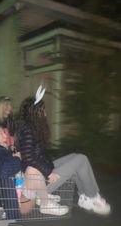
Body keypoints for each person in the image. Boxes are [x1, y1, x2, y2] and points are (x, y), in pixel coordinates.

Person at [16, 88, 111, 216]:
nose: (45, 112)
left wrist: (48, 167)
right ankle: (92, 197)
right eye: (43, 109)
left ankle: (85, 197)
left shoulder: (32, 127)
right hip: (38, 182)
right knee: (79, 160)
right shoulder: (28, 129)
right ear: (35, 112)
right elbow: (28, 157)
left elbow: (35, 155)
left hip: (40, 173)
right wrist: (48, 172)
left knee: (78, 157)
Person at [0, 123, 64, 215]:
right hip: (19, 195)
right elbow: (4, 171)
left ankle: (42, 195)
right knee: (32, 169)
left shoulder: (4, 150)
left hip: (19, 187)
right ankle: (45, 202)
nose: (5, 135)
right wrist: (17, 158)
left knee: (33, 168)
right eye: (1, 133)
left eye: (4, 132)